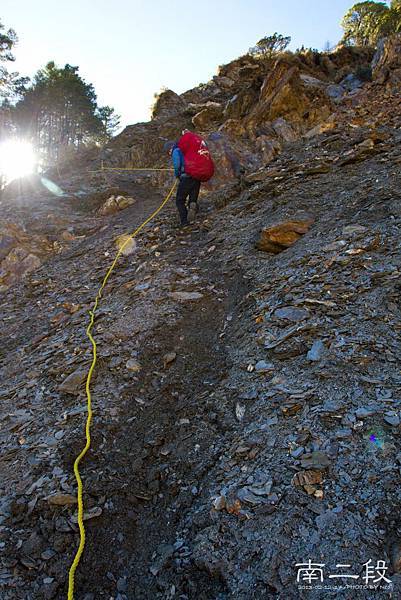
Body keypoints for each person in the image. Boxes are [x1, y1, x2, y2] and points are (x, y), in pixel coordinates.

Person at [164, 130, 214, 227]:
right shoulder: (186, 149)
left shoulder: (176, 150)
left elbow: (177, 164)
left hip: (186, 177)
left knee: (179, 200)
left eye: (168, 152)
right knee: (192, 198)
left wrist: (177, 174)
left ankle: (184, 222)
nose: (170, 154)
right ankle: (193, 208)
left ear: (170, 148)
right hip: (196, 176)